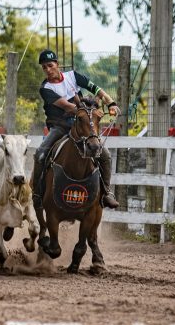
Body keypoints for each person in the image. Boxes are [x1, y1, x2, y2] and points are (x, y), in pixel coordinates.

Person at [31, 49, 120, 210]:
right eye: (44, 67)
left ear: (57, 64)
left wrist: (111, 102)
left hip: (82, 125)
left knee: (104, 155)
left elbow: (96, 89)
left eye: (50, 65)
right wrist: (90, 111)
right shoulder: (46, 88)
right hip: (60, 127)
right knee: (40, 154)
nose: (48, 70)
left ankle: (107, 192)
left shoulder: (73, 76)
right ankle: (37, 194)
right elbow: (68, 106)